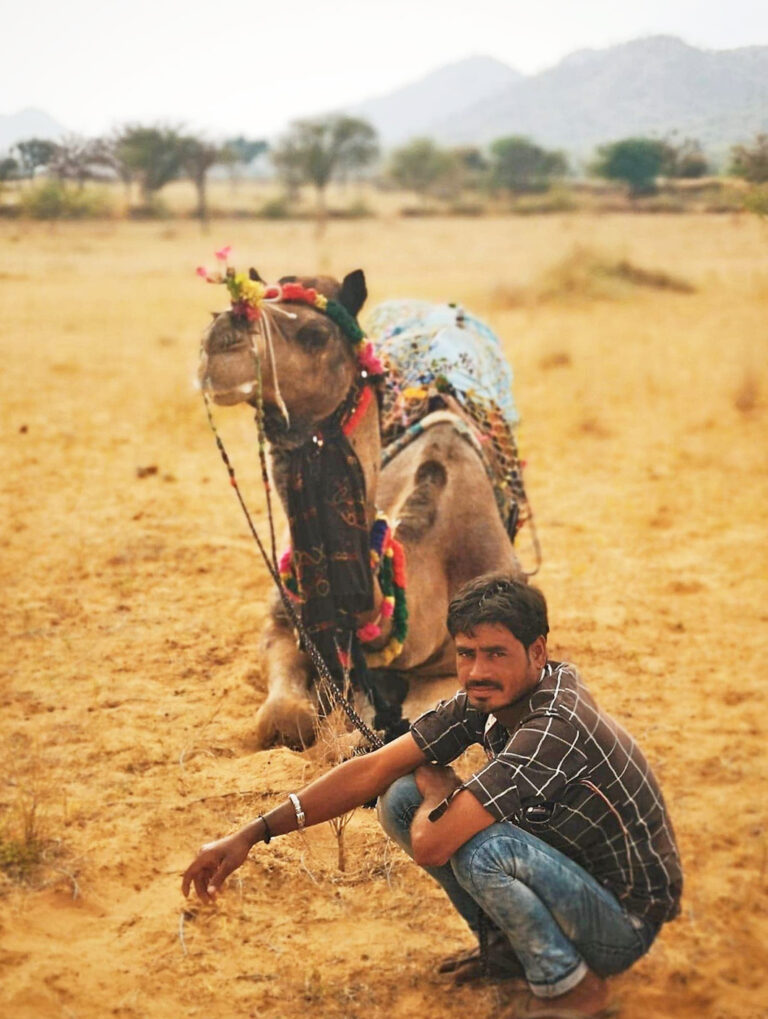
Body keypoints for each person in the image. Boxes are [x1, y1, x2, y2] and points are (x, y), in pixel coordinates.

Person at [182, 574, 682, 1019]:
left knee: (486, 851)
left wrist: (443, 788)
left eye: (496, 653)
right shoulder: (486, 700)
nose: (477, 671)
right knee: (398, 794)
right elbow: (372, 769)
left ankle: (573, 987)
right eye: (466, 654)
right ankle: (508, 951)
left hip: (622, 923)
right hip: (570, 884)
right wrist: (252, 833)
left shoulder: (554, 726)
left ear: (537, 652)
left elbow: (431, 845)